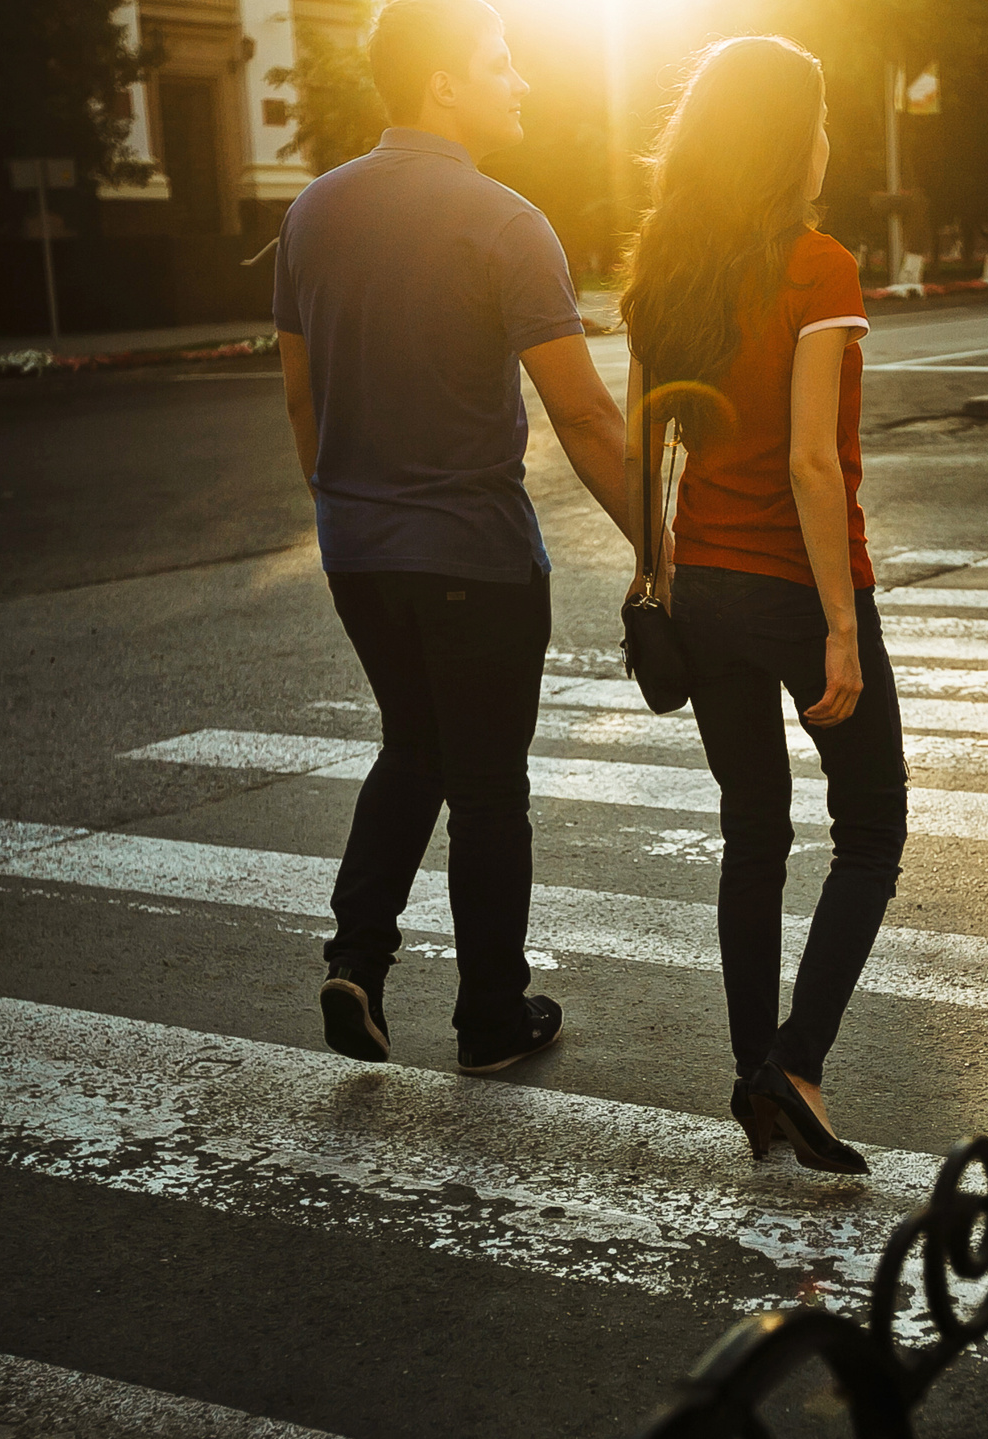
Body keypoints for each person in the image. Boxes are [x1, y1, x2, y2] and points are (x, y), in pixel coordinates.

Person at [274, 0, 632, 1074]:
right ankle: (488, 1018)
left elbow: (300, 397)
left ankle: (357, 960)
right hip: (473, 554)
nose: (520, 80)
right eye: (500, 61)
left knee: (411, 746)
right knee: (485, 788)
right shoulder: (506, 220)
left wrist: (348, 508)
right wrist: (666, 552)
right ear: (442, 83)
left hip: (358, 549)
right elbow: (583, 416)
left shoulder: (311, 214)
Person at [619, 36, 908, 1175]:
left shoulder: (666, 259)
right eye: (822, 119)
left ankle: (754, 1073)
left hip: (703, 588)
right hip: (796, 588)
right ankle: (795, 1061)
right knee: (872, 825)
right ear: (792, 137)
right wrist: (841, 624)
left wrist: (657, 573)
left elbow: (645, 437)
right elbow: (812, 465)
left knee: (754, 832)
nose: (829, 139)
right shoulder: (816, 266)